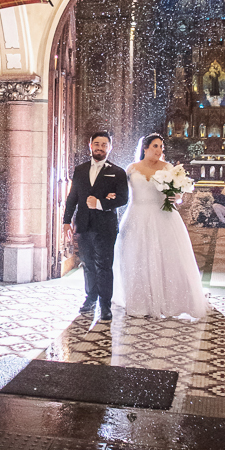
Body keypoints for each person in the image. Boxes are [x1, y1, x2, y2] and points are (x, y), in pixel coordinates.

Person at [112, 132, 208, 319]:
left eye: (161, 147)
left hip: (163, 217)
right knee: (137, 258)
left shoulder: (168, 168)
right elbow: (121, 193)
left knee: (167, 258)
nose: (159, 150)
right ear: (145, 148)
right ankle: (140, 302)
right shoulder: (131, 169)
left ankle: (170, 303)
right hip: (137, 217)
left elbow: (178, 194)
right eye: (155, 146)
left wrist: (177, 197)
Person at [63, 130, 129, 321]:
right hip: (83, 224)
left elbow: (123, 198)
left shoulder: (117, 172)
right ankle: (90, 298)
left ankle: (105, 305)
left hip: (105, 226)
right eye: (97, 144)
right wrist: (66, 221)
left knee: (104, 266)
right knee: (88, 264)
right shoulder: (80, 170)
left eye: (104, 145)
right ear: (90, 145)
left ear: (110, 148)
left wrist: (101, 203)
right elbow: (73, 197)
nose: (100, 148)